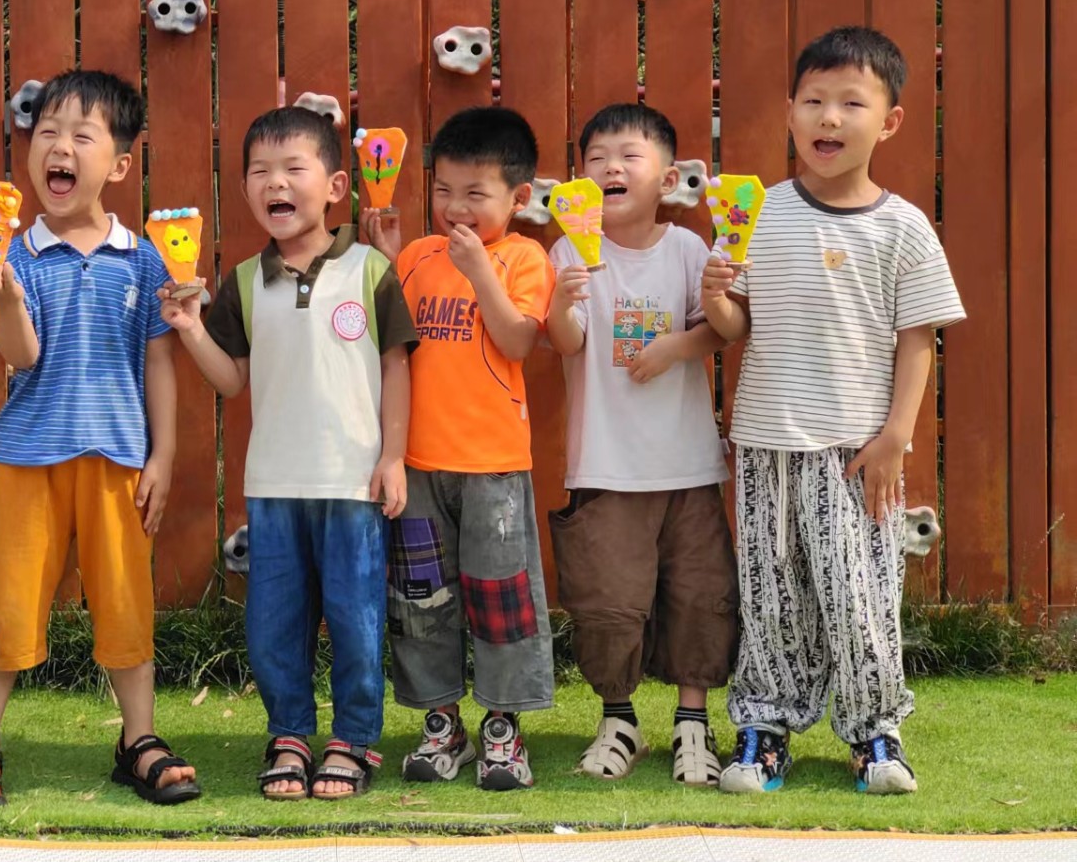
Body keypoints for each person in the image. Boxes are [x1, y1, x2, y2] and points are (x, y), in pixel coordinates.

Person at [702, 27, 965, 796]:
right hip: (766, 441)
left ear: (889, 121)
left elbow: (918, 340)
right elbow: (737, 325)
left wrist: (896, 437)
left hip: (860, 450)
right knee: (771, 592)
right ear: (790, 111)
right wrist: (715, 295)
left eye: (852, 102)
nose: (829, 117)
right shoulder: (759, 212)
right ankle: (764, 731)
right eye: (814, 100)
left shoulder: (903, 225)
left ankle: (875, 732)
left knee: (863, 595)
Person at [0, 69, 200, 808]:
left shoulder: (146, 258)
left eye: (82, 136)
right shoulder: (12, 256)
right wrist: (4, 299)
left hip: (119, 460)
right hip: (28, 458)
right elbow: (20, 356)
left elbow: (159, 361)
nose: (59, 147)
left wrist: (163, 455)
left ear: (118, 164)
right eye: (46, 132)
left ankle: (138, 739)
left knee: (126, 602)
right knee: (9, 598)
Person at [164, 106, 416, 800]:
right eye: (259, 171)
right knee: (274, 623)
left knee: (357, 619)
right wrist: (190, 328)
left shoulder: (371, 269)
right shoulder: (246, 280)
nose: (275, 182)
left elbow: (397, 366)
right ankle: (289, 734)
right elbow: (231, 380)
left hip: (354, 483)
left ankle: (354, 738)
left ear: (335, 186)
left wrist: (393, 456)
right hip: (273, 483)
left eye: (293, 168)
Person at [361, 106, 556, 791]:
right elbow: (393, 342)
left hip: (493, 467)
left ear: (518, 196)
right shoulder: (418, 256)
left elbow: (518, 340)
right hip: (418, 465)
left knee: (502, 600)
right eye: (444, 190)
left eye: (476, 193)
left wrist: (480, 273)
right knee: (421, 601)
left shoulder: (524, 257)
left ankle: (503, 727)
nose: (456, 208)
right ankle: (440, 723)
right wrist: (388, 254)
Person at [545, 102, 737, 787]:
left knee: (699, 593)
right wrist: (562, 301)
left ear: (669, 178)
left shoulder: (688, 249)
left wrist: (676, 347)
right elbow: (565, 342)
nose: (611, 168)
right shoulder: (571, 250)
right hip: (605, 464)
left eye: (629, 156)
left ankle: (693, 722)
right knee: (607, 601)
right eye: (596, 159)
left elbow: (724, 329)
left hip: (686, 466)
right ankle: (618, 719)